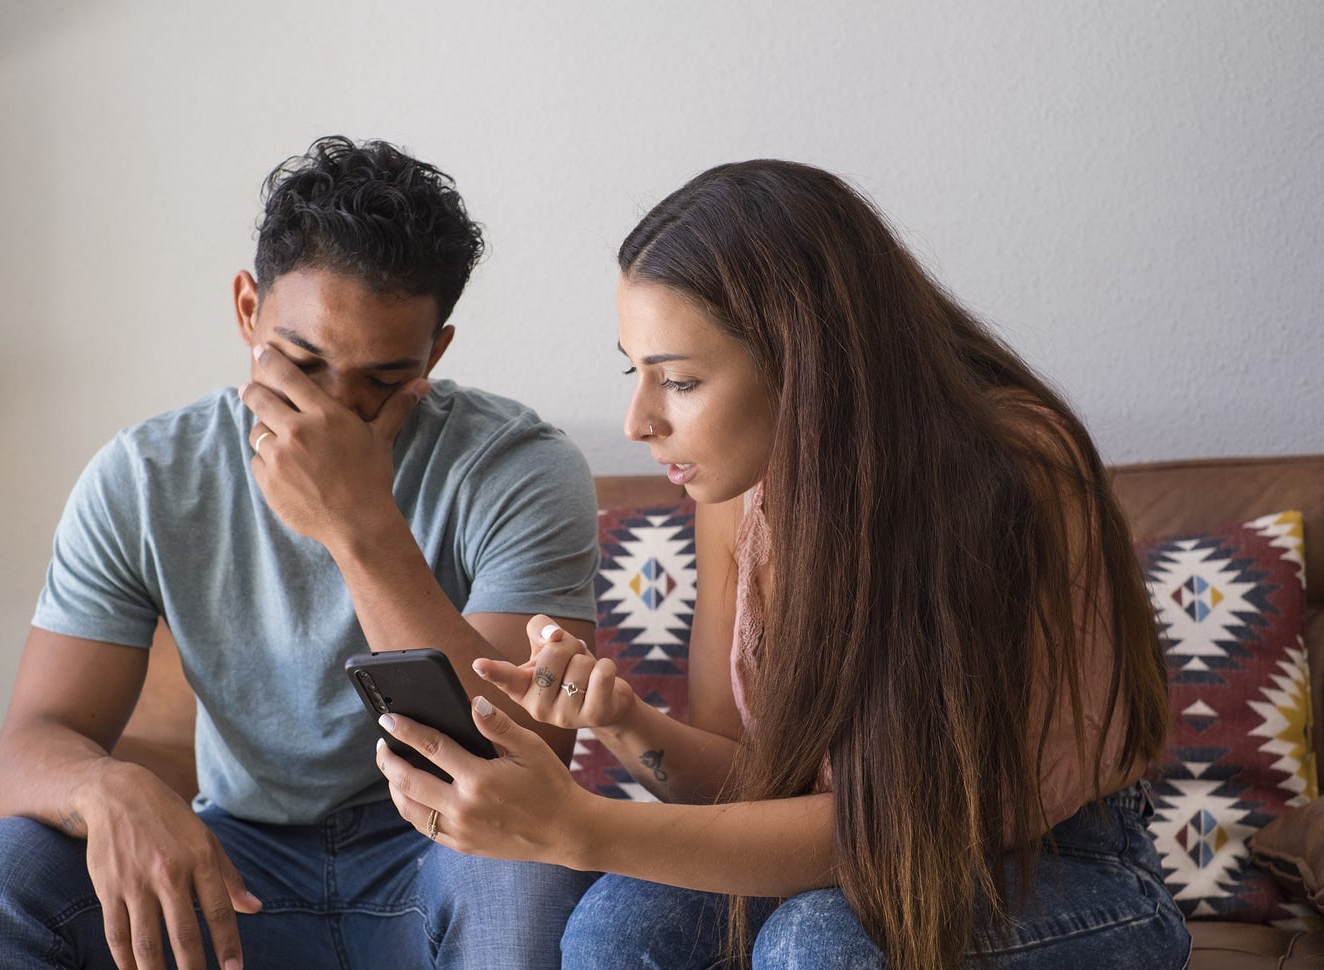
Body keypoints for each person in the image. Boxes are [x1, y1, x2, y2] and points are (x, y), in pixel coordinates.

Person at [369, 160, 1193, 969]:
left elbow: (903, 828)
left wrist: (578, 828)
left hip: (1065, 867)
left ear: (807, 360)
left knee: (818, 948)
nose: (638, 421)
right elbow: (753, 798)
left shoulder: (1016, 469)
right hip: (864, 858)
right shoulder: (736, 491)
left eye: (680, 381)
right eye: (636, 371)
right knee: (617, 930)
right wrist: (623, 723)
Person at [0, 136, 600, 970]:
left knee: (528, 875)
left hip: (443, 850)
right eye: (304, 362)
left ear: (438, 351)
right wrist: (107, 786)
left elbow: (525, 756)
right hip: (234, 867)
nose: (333, 412)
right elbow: (35, 739)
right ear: (247, 308)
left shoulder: (521, 467)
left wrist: (358, 525)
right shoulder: (146, 476)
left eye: (383, 380)